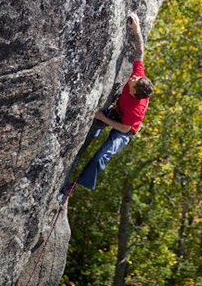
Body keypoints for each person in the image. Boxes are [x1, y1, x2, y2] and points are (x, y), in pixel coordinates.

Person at [59, 13, 154, 198]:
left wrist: (103, 118)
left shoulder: (137, 109)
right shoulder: (139, 79)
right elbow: (140, 51)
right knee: (90, 135)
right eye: (135, 78)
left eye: (133, 82)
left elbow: (126, 128)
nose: (132, 78)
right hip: (117, 113)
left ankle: (73, 187)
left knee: (100, 156)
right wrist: (137, 30)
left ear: (134, 93)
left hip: (124, 130)